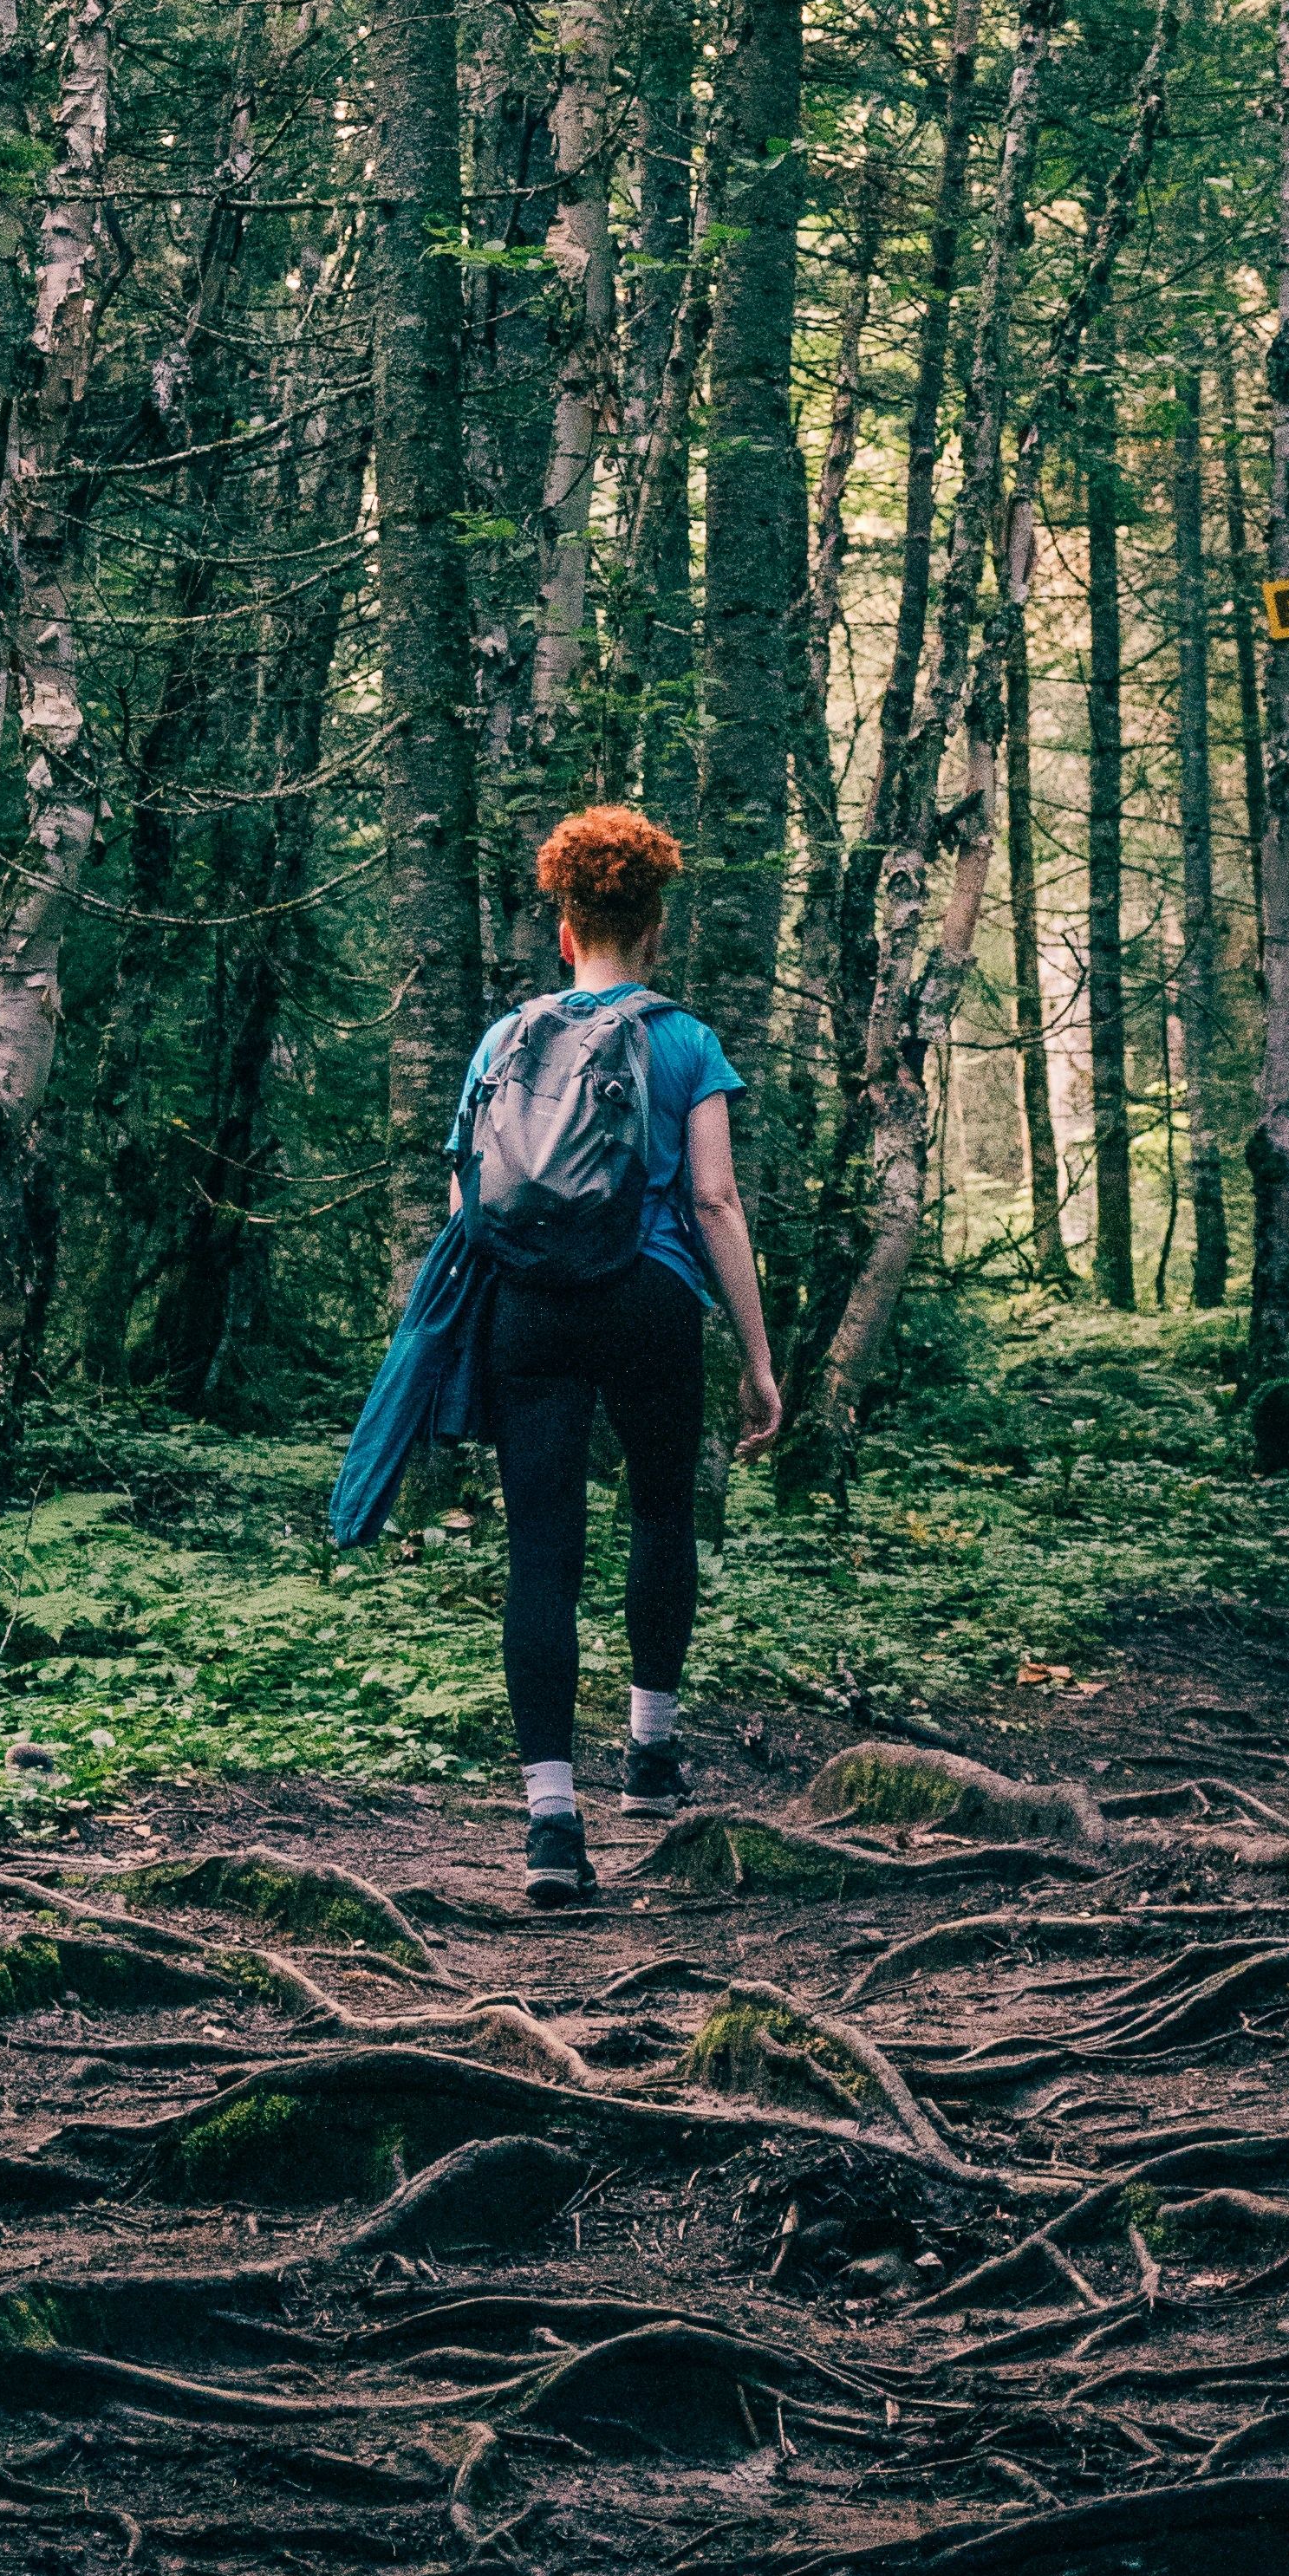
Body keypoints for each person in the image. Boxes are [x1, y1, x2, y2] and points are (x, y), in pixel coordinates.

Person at [456, 803, 784, 1912]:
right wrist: (757, 1352)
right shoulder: (684, 1041)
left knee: (540, 1552)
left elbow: (465, 1195)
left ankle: (552, 1824)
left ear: (565, 928)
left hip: (531, 1308)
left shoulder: (504, 1040)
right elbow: (713, 1197)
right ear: (653, 931)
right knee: (658, 1515)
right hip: (650, 1298)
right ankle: (650, 1755)